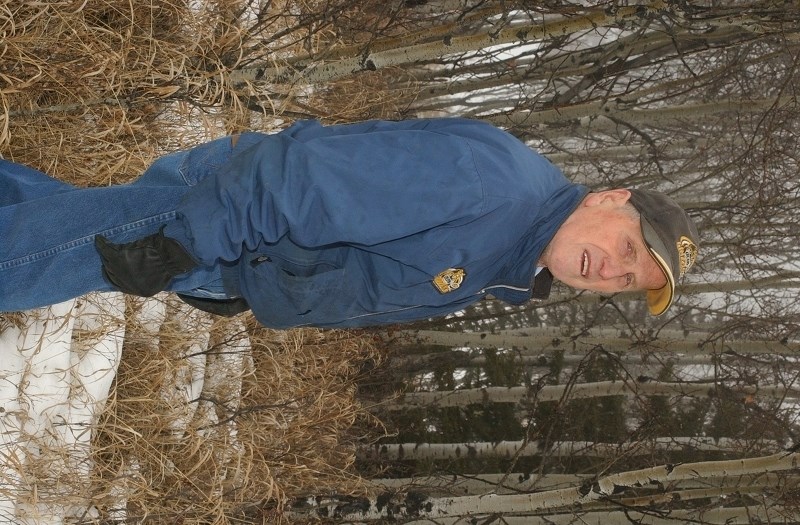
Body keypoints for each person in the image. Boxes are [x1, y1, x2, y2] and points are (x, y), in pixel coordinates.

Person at [0, 118, 699, 327]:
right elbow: (308, 182)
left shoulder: (511, 257)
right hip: (223, 212)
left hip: (235, 247)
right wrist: (183, 241)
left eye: (629, 279)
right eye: (627, 246)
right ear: (610, 197)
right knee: (38, 258)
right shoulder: (494, 188)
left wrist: (249, 285)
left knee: (48, 229)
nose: (612, 270)